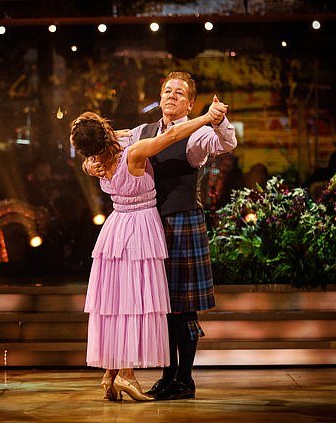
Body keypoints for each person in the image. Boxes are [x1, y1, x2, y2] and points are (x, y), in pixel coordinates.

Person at [86, 71, 237, 400]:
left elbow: (226, 143)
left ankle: (185, 378)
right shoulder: (143, 131)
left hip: (182, 222)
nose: (171, 96)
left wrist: (217, 119)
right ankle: (168, 377)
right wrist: (90, 164)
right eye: (167, 91)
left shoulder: (197, 134)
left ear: (190, 103)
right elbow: (107, 144)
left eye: (179, 93)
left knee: (184, 308)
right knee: (161, 306)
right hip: (150, 227)